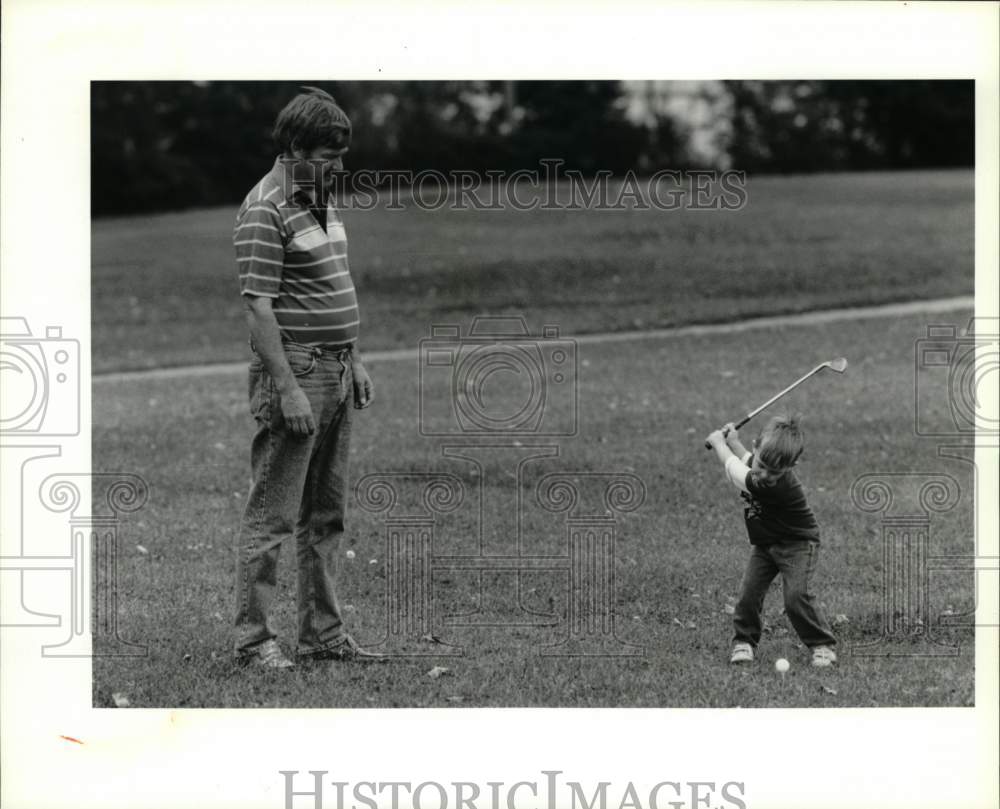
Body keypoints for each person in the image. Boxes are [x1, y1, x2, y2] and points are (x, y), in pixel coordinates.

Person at [232, 86, 381, 668]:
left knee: (326, 513)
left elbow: (333, 284)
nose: (337, 168)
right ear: (294, 148)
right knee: (272, 514)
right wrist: (289, 389)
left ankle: (323, 636)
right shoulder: (264, 208)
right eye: (327, 156)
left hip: (337, 369)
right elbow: (258, 308)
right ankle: (253, 641)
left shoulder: (320, 197)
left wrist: (357, 358)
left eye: (341, 156)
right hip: (298, 374)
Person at [705, 414, 837, 667]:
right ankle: (743, 641)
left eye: (774, 471)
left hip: (798, 545)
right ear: (756, 446)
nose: (765, 474)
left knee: (796, 596)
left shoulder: (777, 485)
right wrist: (734, 442)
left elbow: (738, 472)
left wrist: (720, 445)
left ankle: (822, 645)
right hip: (766, 544)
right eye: (763, 463)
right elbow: (749, 462)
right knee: (748, 594)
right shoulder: (762, 466)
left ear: (790, 467)